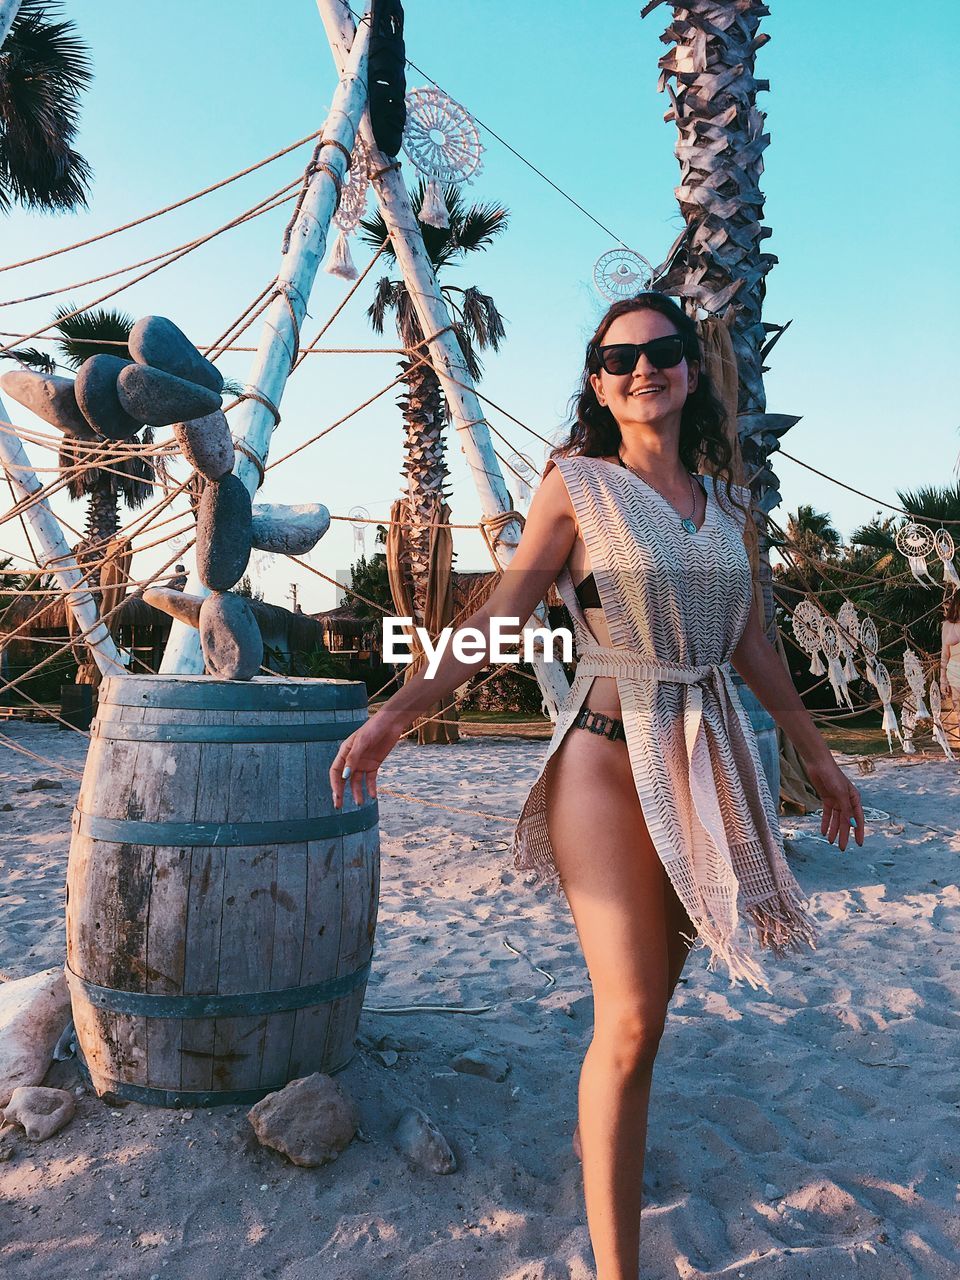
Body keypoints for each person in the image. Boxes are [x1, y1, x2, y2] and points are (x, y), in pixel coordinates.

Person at [329, 291, 866, 1280]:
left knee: (652, 1008)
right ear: (598, 379)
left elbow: (751, 639)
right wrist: (395, 712)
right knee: (624, 1016)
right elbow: (501, 615)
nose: (642, 369)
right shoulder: (577, 486)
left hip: (705, 766)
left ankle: (597, 1139)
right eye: (618, 358)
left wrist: (816, 752)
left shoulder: (726, 506)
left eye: (661, 352)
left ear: (691, 372)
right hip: (606, 760)